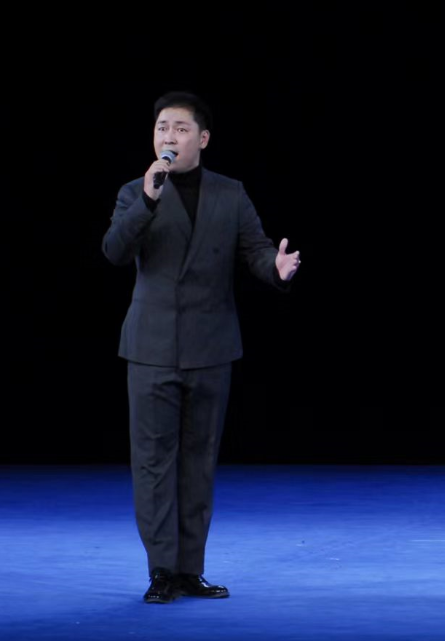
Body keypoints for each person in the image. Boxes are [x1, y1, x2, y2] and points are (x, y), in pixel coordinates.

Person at [102, 91, 301, 603]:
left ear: (203, 138)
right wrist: (148, 201)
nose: (168, 137)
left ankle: (190, 570)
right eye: (161, 127)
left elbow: (255, 250)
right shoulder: (136, 191)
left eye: (180, 128)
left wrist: (275, 270)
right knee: (153, 462)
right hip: (151, 347)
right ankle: (161, 571)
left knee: (198, 461)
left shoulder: (230, 193)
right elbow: (115, 250)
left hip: (211, 347)